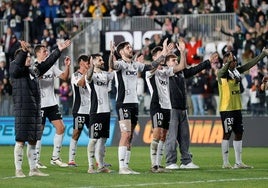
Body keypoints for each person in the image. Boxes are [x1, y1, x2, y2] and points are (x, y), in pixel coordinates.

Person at [9, 39, 70, 177]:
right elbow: (19, 63)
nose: (29, 58)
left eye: (30, 56)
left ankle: (33, 169)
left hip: (35, 110)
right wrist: (24, 51)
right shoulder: (15, 70)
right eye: (27, 56)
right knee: (20, 141)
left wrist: (59, 50)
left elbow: (47, 63)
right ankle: (18, 169)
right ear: (20, 58)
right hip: (22, 110)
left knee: (33, 140)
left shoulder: (33, 71)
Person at [109, 41, 160, 174]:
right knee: (125, 134)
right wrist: (111, 53)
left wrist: (163, 54)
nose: (130, 49)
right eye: (127, 48)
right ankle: (121, 168)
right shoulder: (120, 64)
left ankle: (126, 166)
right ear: (121, 52)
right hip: (123, 103)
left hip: (134, 103)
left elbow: (151, 66)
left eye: (131, 47)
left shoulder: (135, 65)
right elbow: (112, 65)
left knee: (130, 136)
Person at [165, 51, 219, 170]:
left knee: (185, 137)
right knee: (172, 137)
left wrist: (208, 62)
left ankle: (186, 161)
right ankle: (170, 162)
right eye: (173, 60)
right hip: (172, 108)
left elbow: (195, 69)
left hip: (183, 108)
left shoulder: (181, 72)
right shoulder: (165, 73)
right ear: (167, 63)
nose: (176, 62)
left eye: (177, 60)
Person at [218, 48, 268, 169]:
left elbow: (248, 65)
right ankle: (225, 162)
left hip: (237, 107)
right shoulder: (222, 73)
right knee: (227, 134)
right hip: (227, 108)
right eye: (233, 60)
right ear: (227, 61)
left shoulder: (236, 71)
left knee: (239, 133)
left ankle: (238, 162)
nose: (235, 62)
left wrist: (262, 55)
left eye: (235, 60)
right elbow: (221, 73)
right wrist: (228, 63)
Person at [146, 39, 186, 173]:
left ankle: (158, 164)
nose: (162, 56)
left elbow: (180, 67)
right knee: (157, 133)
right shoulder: (150, 71)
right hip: (156, 105)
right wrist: (165, 51)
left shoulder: (165, 71)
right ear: (154, 57)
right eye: (159, 54)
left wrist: (182, 52)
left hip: (167, 105)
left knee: (164, 135)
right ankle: (153, 165)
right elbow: (154, 65)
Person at [35, 42, 71, 168]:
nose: (46, 52)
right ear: (38, 53)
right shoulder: (34, 67)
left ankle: (55, 157)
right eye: (44, 51)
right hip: (39, 104)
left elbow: (65, 77)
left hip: (52, 103)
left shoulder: (51, 66)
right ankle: (36, 160)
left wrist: (67, 67)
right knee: (39, 131)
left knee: (61, 127)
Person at [86, 54, 114, 174]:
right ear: (93, 62)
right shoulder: (91, 75)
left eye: (102, 59)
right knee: (93, 139)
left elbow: (112, 69)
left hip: (106, 110)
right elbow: (87, 76)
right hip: (95, 110)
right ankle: (90, 166)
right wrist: (91, 66)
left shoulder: (105, 75)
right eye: (100, 59)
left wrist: (111, 55)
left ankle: (101, 166)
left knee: (103, 140)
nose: (102, 61)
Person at [68, 55, 90, 167]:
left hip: (92, 110)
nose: (88, 63)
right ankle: (71, 159)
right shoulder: (75, 75)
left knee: (96, 135)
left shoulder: (91, 74)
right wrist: (87, 73)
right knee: (77, 133)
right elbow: (81, 83)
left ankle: (98, 160)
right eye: (86, 62)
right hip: (80, 109)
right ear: (81, 62)